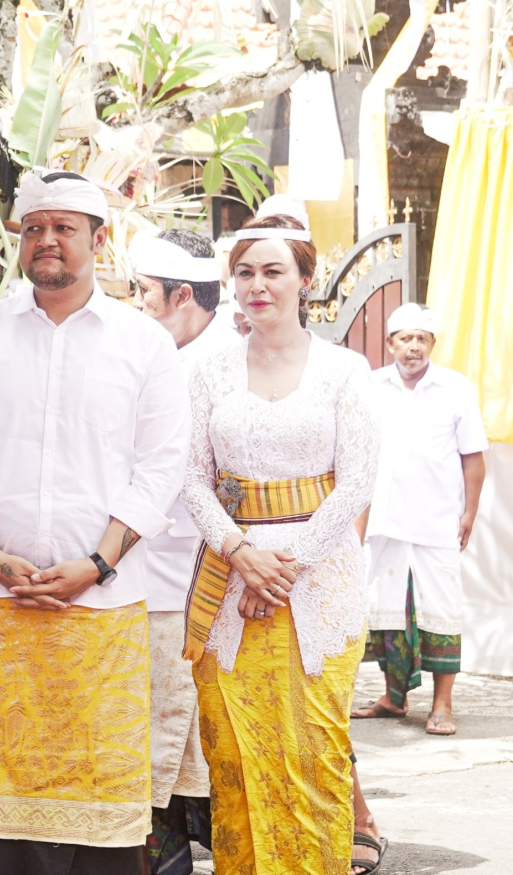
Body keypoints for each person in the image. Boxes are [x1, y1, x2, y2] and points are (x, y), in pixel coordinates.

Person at [0, 172, 191, 875]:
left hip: (102, 609)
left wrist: (98, 564)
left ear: (97, 240)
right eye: (34, 226)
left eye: (64, 227)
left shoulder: (144, 343)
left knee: (99, 810)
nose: (47, 240)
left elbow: (161, 468)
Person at [181, 213, 378, 875]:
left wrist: (285, 568)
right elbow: (191, 475)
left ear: (305, 278)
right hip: (230, 581)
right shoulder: (207, 372)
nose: (257, 285)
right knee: (234, 757)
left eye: (272, 271)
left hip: (317, 585)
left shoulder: (346, 371)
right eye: (245, 272)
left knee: (312, 751)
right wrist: (241, 553)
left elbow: (356, 483)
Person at [131, 231, 238, 875]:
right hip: (161, 571)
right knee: (170, 731)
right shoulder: (169, 354)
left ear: (180, 296)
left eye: (143, 292)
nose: (134, 303)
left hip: (202, 578)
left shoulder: (220, 363)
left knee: (177, 730)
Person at [354, 302, 488, 735]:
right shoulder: (370, 386)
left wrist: (469, 511)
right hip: (386, 521)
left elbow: (473, 456)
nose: (413, 347)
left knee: (440, 610)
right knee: (388, 610)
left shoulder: (455, 388)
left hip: (436, 521)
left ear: (432, 343)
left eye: (421, 338)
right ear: (390, 342)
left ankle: (442, 704)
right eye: (404, 338)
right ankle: (394, 698)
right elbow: (355, 455)